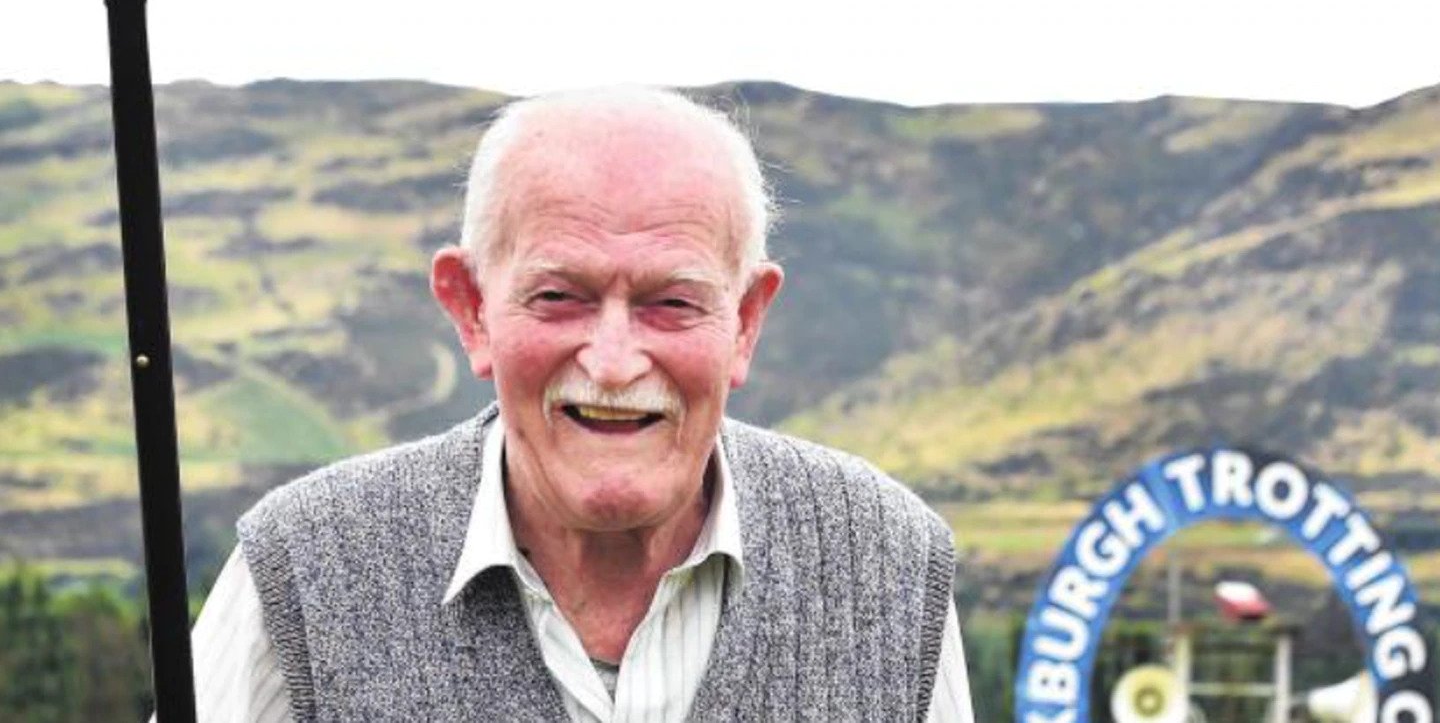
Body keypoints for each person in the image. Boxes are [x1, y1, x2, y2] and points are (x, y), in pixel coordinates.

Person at [183, 86, 974, 721]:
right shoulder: (300, 569)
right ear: (471, 309)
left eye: (673, 302)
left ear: (746, 322)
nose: (615, 361)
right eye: (559, 295)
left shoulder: (889, 564)